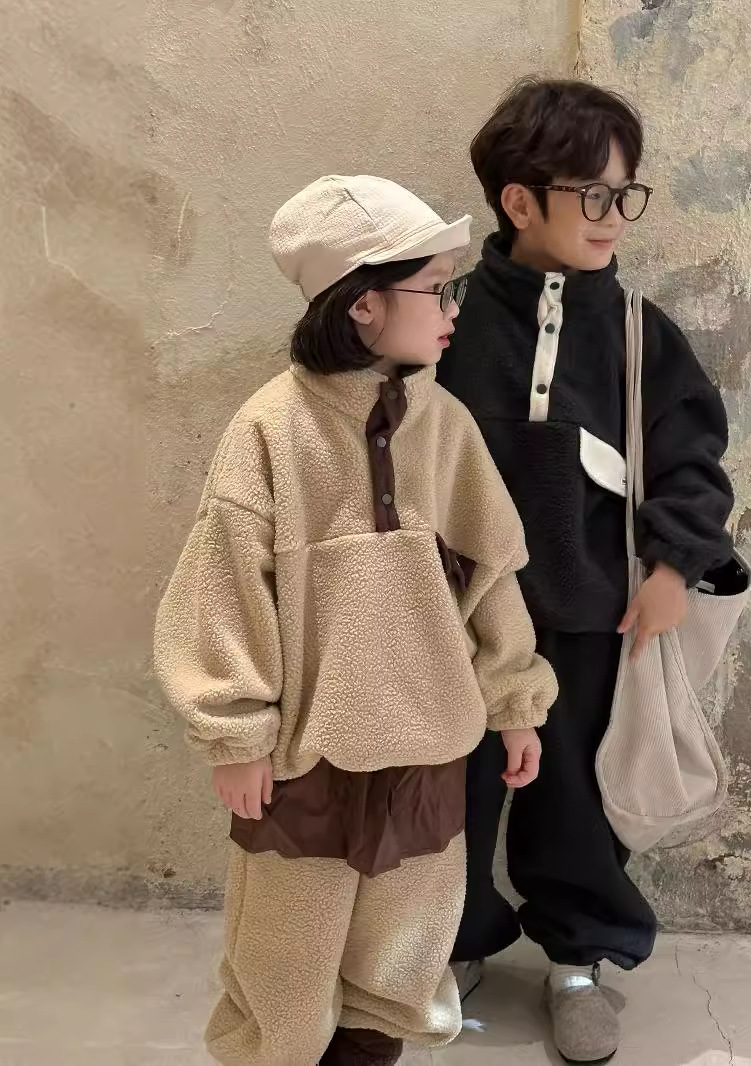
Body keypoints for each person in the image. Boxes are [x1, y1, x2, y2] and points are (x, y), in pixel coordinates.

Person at [153, 174, 558, 1066]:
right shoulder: (270, 429)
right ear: (364, 304)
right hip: (308, 757)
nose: (454, 308)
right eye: (437, 288)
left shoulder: (445, 426)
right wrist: (236, 734)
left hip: (427, 749)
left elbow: (492, 576)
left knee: (401, 957)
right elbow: (223, 590)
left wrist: (515, 703)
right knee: (285, 961)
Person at [436, 79, 736, 1064]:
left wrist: (674, 565)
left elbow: (692, 461)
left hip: (591, 615)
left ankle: (578, 960)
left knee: (575, 800)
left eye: (624, 194)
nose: (614, 216)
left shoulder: (641, 332)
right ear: (519, 201)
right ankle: (451, 942)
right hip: (459, 621)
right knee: (448, 797)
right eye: (593, 195)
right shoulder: (446, 322)